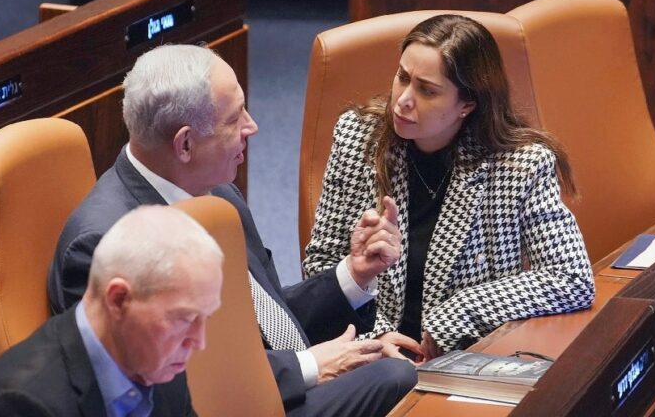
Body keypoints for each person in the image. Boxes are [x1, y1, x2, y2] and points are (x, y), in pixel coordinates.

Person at [47, 44, 416, 416]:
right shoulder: (106, 244)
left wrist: (353, 275)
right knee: (397, 379)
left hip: (267, 383)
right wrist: (307, 366)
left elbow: (267, 320)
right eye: (235, 118)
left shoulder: (218, 193)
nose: (252, 126)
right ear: (185, 144)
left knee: (396, 371)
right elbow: (165, 387)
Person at [303, 14, 595, 361]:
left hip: (466, 360)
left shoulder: (520, 166)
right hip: (368, 357)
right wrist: (374, 334)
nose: (403, 100)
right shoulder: (359, 138)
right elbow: (321, 266)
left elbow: (571, 277)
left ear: (467, 105)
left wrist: (457, 314)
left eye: (427, 90)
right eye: (402, 77)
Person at [0, 205, 223, 416]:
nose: (199, 342)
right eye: (184, 318)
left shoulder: (158, 363)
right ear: (118, 299)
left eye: (205, 317)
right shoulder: (20, 407)